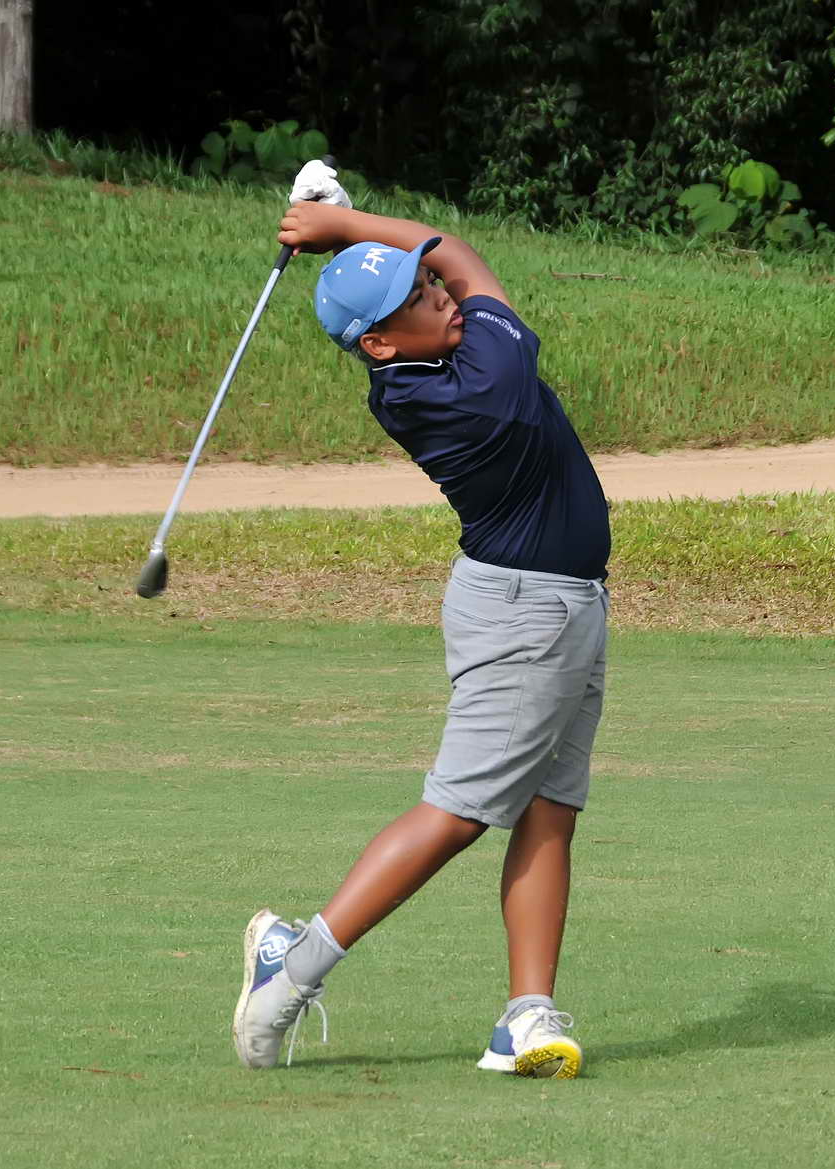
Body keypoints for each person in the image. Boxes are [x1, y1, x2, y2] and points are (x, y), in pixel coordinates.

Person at [231, 161, 610, 1079]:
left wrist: (341, 228)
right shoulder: (483, 380)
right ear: (379, 342)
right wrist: (350, 223)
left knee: (550, 809)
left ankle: (524, 1016)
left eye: (427, 284)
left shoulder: (420, 371)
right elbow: (465, 255)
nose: (439, 293)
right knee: (459, 812)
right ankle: (291, 970)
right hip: (526, 614)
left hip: (559, 604)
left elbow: (448, 266)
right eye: (415, 298)